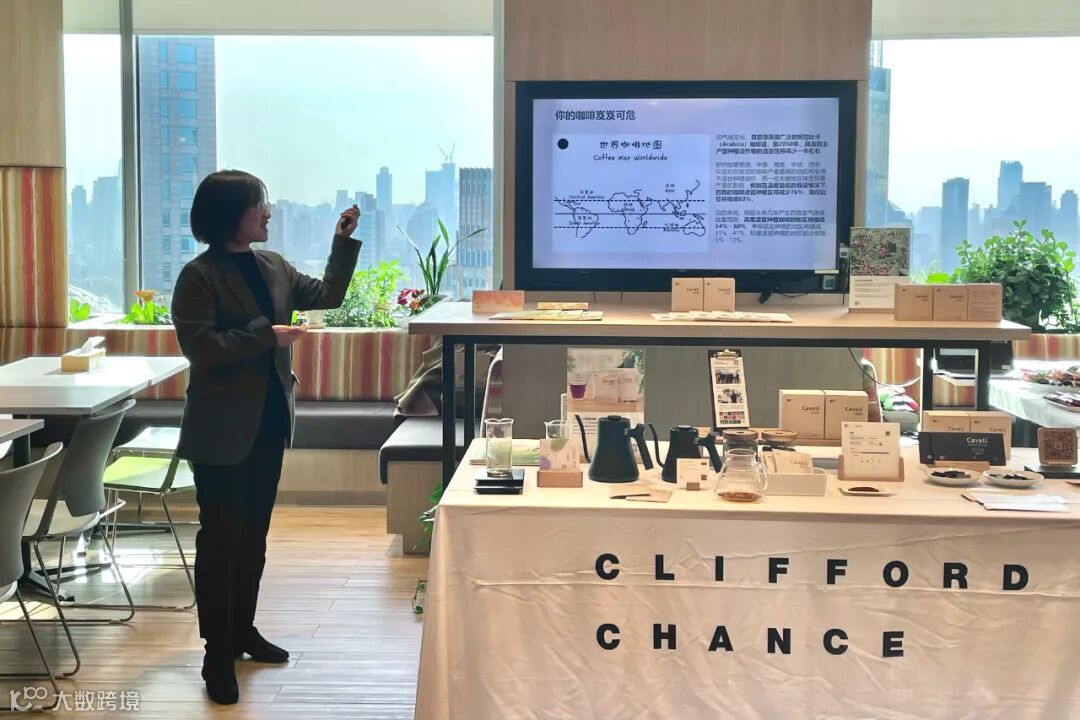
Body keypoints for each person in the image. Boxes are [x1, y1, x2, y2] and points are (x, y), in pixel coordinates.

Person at [170, 170, 360, 705]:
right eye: (261, 205)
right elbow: (202, 349)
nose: (268, 212)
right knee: (221, 541)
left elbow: (328, 295)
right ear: (233, 214)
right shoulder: (197, 277)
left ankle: (242, 632)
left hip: (270, 422)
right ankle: (217, 652)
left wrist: (341, 242)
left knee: (253, 538)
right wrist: (267, 336)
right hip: (220, 431)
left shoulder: (272, 266)